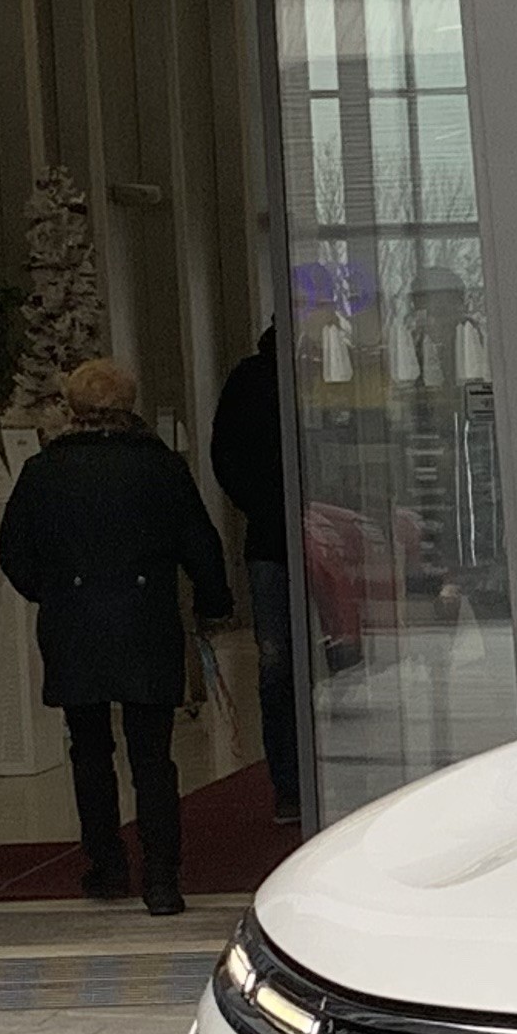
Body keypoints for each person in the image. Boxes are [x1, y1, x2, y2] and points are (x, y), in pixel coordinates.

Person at [0, 358, 231, 915]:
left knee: (89, 749)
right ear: (129, 404)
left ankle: (106, 865)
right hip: (145, 620)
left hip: (74, 622)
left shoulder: (43, 471)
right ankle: (162, 879)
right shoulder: (161, 467)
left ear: (73, 407)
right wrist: (213, 604)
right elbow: (201, 543)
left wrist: (51, 593)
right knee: (153, 756)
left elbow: (13, 552)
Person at [206, 321, 298, 824]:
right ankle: (289, 782)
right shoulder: (253, 380)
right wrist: (264, 506)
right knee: (277, 664)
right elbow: (227, 457)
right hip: (273, 540)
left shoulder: (331, 369)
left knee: (332, 660)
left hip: (303, 534)